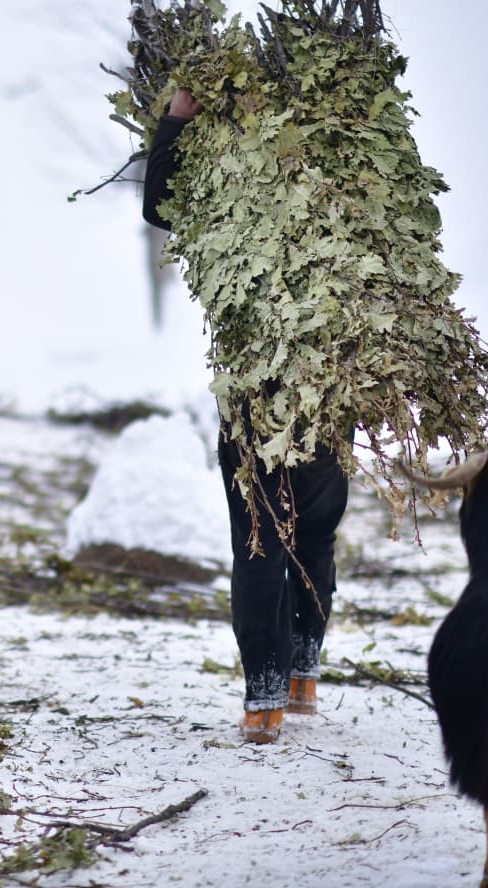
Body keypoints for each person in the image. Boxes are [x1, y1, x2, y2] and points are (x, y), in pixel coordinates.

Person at [143, 88, 351, 745]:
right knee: (313, 534)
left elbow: (159, 205)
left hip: (259, 398)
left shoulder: (227, 197)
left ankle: (265, 701)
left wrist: (178, 123)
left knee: (260, 537)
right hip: (328, 393)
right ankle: (303, 676)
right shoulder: (339, 176)